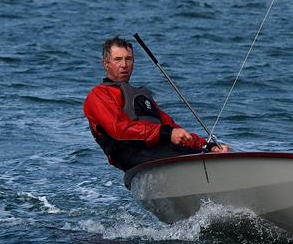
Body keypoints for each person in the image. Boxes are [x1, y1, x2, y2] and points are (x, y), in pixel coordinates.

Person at [84, 36, 228, 171]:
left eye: (129, 59)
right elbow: (120, 129)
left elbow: (171, 127)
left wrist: (206, 145)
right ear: (106, 64)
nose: (124, 65)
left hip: (160, 149)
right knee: (190, 159)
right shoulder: (99, 94)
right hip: (132, 155)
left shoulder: (141, 95)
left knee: (217, 154)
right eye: (118, 59)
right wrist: (166, 133)